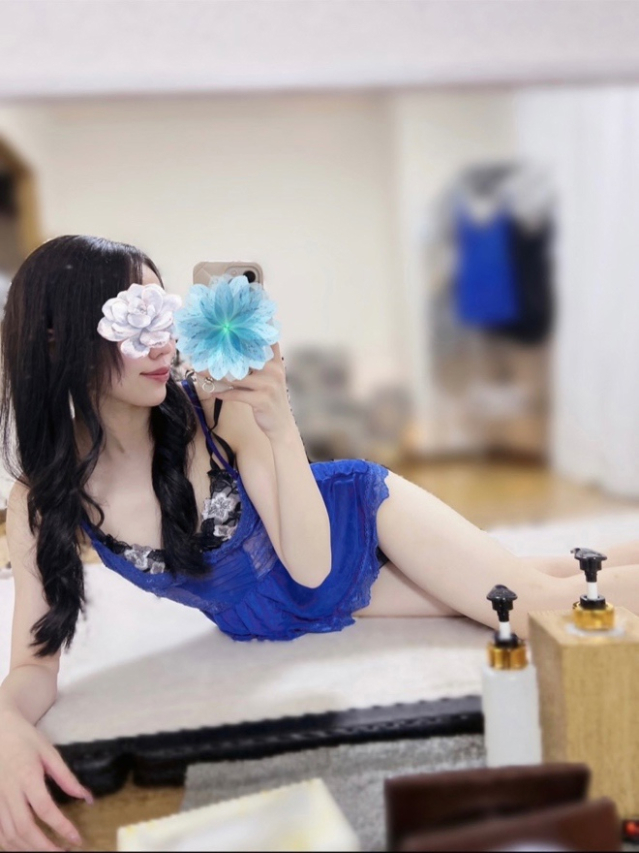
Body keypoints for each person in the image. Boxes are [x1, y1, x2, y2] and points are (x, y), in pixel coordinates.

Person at [0, 235, 638, 852]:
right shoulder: (40, 503)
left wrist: (279, 423)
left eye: (164, 312)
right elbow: (33, 666)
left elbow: (310, 567)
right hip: (294, 608)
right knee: (544, 575)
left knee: (537, 610)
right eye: (136, 318)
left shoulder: (213, 412)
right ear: (56, 340)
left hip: (355, 523)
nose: (164, 340)